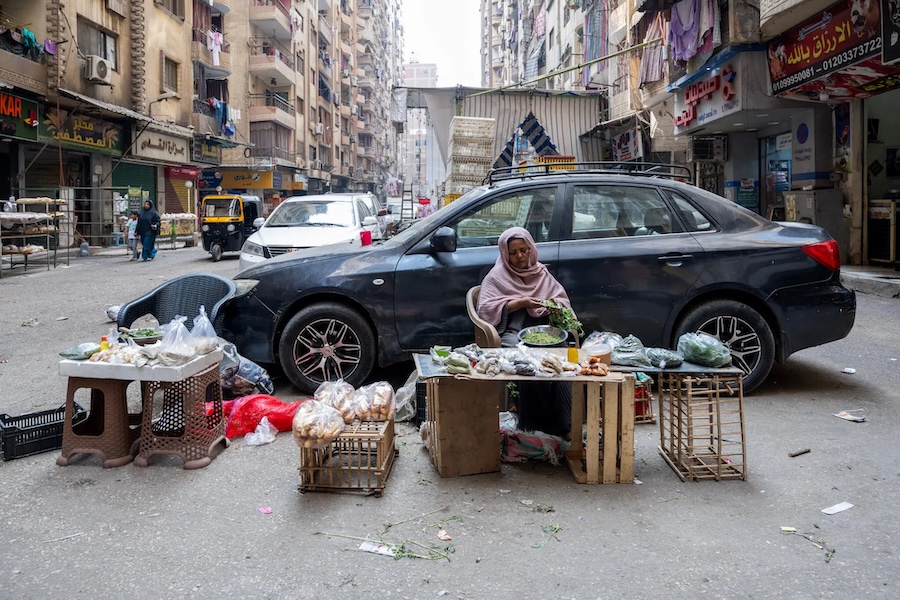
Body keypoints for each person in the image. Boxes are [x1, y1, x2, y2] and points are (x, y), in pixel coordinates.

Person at [477, 227, 574, 439]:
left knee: (563, 361)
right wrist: (519, 302)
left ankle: (563, 425)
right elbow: (484, 308)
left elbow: (562, 299)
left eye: (524, 250)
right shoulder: (496, 277)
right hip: (513, 331)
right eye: (513, 252)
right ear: (505, 254)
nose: (520, 256)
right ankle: (532, 427)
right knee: (525, 364)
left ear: (531, 249)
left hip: (544, 331)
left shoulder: (541, 273)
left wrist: (553, 306)